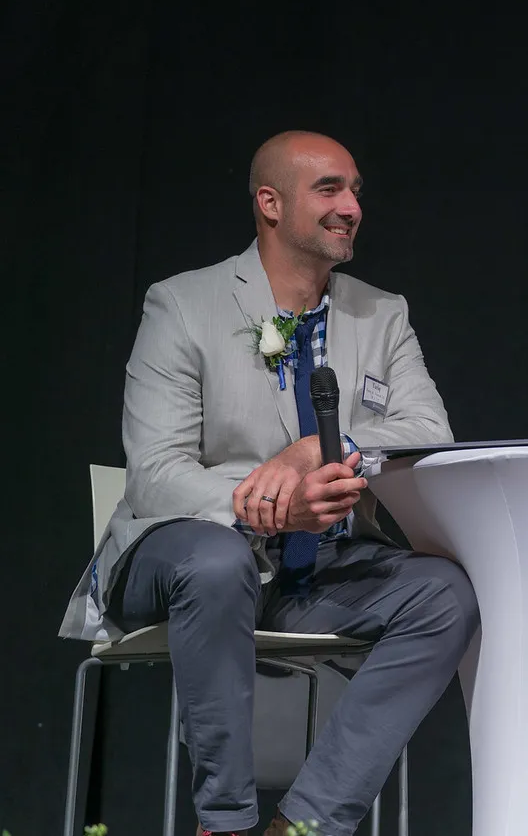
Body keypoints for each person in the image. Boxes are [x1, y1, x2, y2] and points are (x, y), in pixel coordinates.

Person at [60, 131, 479, 836]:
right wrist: (275, 505)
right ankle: (224, 821)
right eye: (329, 190)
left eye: (355, 192)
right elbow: (158, 477)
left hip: (312, 576)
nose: (350, 206)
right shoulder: (184, 305)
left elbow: (427, 431)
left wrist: (317, 450)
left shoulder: (382, 313)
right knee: (215, 561)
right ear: (269, 203)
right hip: (181, 557)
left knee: (445, 595)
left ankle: (307, 822)